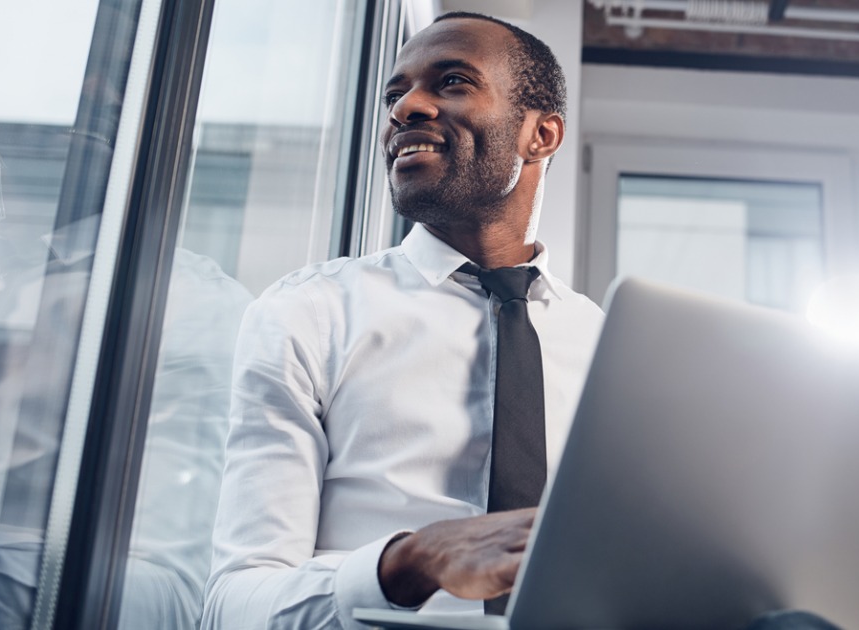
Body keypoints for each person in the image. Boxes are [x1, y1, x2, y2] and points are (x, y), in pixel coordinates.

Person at [202, 11, 604, 629]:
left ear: (541, 135)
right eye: (395, 95)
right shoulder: (310, 314)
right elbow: (233, 608)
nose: (406, 107)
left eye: (452, 82)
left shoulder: (605, 345)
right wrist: (409, 562)